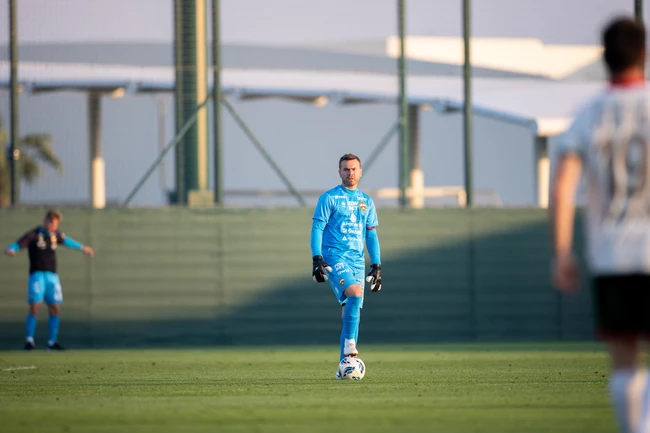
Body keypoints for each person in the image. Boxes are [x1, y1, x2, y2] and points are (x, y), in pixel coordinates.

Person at [550, 16, 650, 433]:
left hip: (612, 254)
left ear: (604, 57)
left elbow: (563, 188)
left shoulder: (589, 113)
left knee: (624, 358)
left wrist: (561, 252)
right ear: (644, 53)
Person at [310, 153, 382, 379]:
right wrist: (317, 258)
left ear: (360, 172)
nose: (350, 173)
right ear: (339, 172)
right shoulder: (329, 198)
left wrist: (376, 264)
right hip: (334, 256)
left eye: (354, 169)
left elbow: (371, 234)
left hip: (357, 261)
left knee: (351, 309)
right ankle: (350, 345)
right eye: (346, 169)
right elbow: (317, 229)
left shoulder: (366, 201)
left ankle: (344, 366)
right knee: (355, 292)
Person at [4, 210, 94, 351]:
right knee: (35, 306)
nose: (53, 226)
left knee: (55, 308)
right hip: (37, 275)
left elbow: (67, 241)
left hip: (52, 276)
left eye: (55, 224)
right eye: (51, 222)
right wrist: (11, 249)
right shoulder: (34, 234)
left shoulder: (56, 235)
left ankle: (52, 342)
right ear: (45, 221)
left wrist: (83, 248)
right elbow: (19, 243)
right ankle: (29, 340)